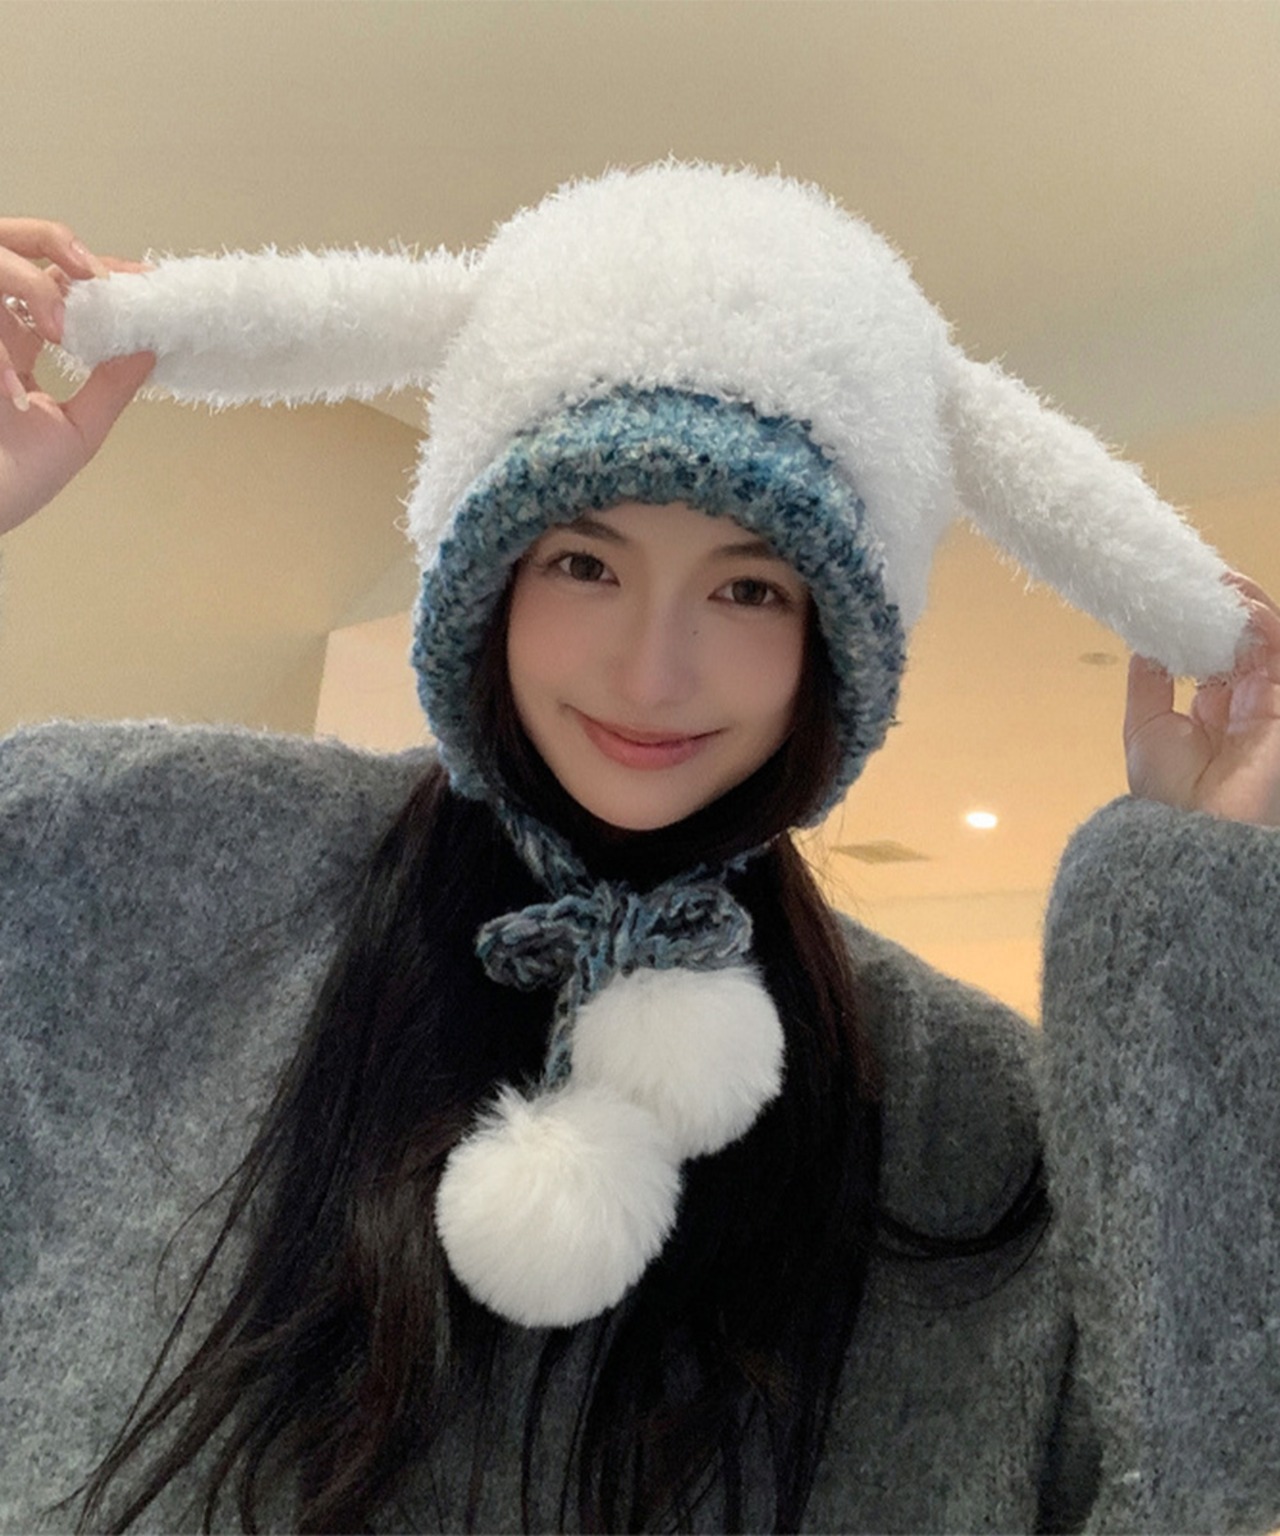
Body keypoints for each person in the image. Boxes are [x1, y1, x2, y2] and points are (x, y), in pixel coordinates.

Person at [1, 166, 1277, 1535]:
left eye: (749, 587)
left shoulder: (961, 1111)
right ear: (487, 580)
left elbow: (1185, 1476)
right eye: (583, 564)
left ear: (833, 644)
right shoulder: (136, 860)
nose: (652, 673)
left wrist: (1201, 919)